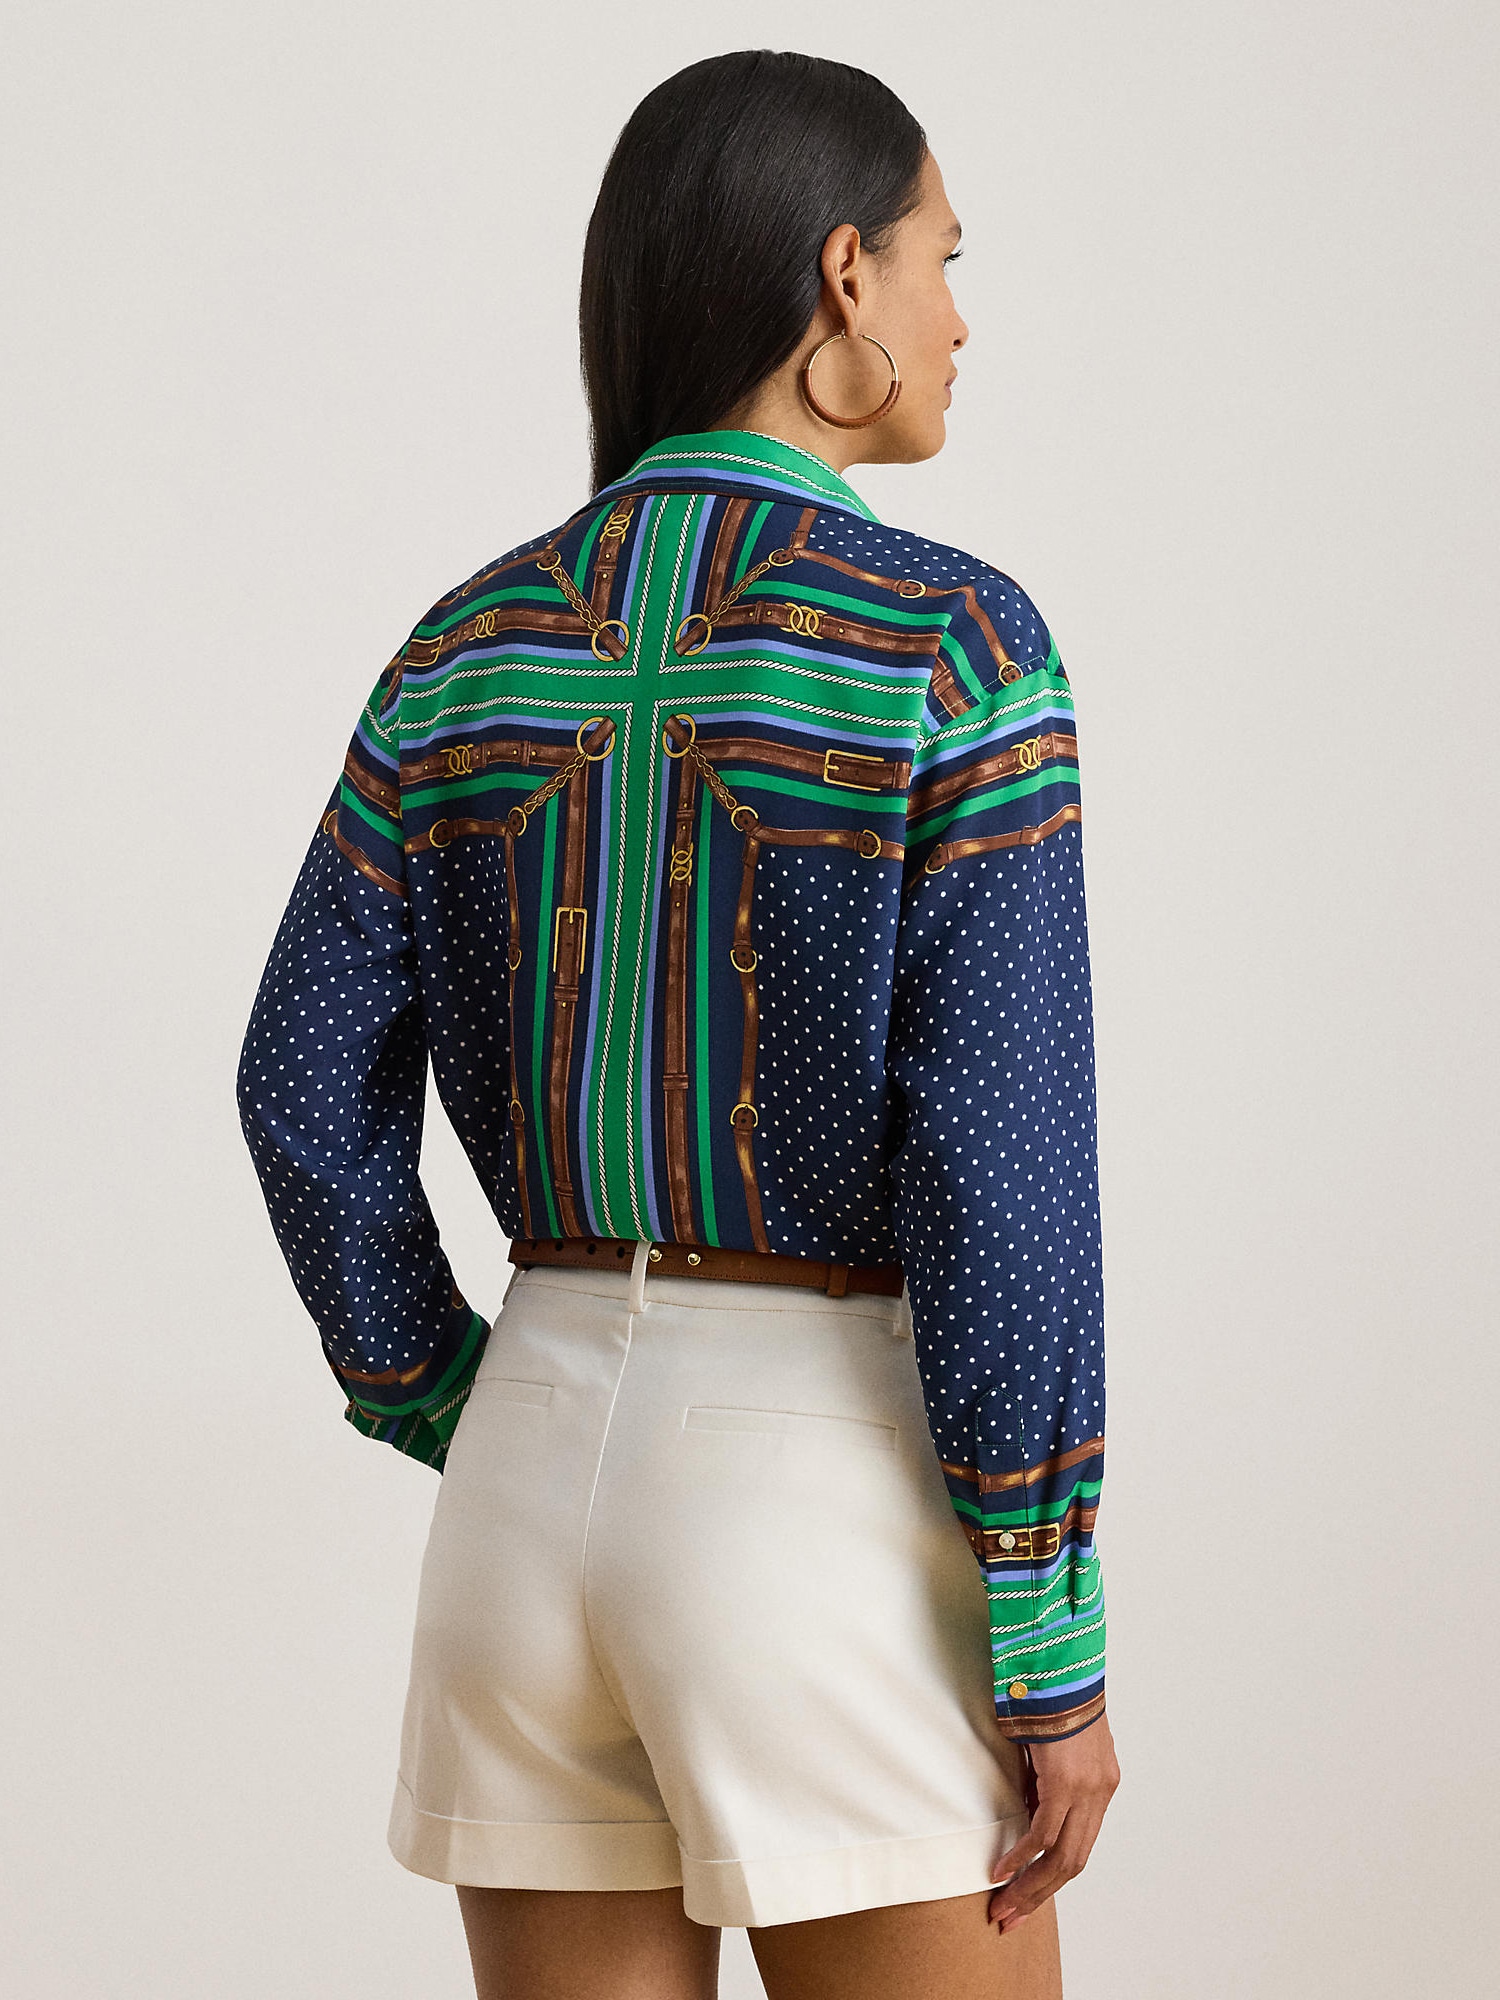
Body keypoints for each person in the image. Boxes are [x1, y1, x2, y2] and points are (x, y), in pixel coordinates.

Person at [236, 47, 1119, 2000]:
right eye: (943, 259)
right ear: (842, 279)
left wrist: (444, 1394)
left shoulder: (463, 645)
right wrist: (1049, 1628)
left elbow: (300, 1085)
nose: (959, 317)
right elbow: (1000, 1167)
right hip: (813, 1498)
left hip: (523, 1488)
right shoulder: (951, 644)